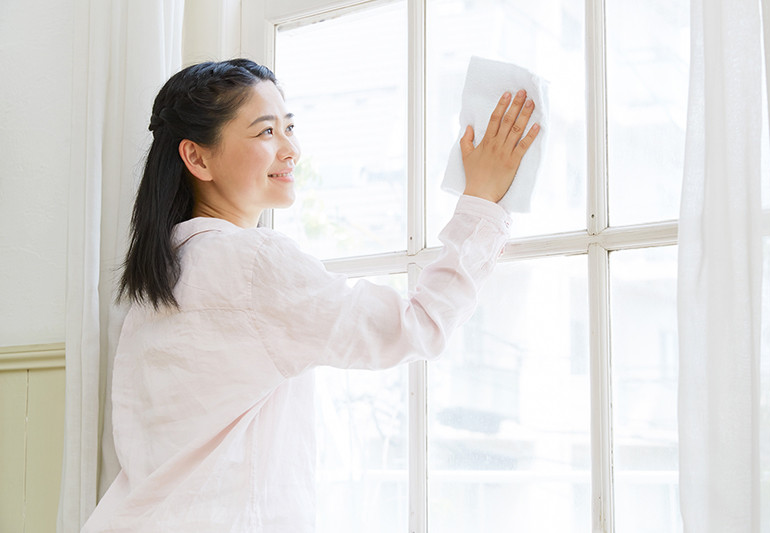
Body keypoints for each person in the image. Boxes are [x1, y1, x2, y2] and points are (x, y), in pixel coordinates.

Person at [81, 58, 540, 532]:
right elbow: (418, 326)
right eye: (266, 132)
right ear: (197, 159)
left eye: (290, 127)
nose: (291, 150)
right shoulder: (252, 262)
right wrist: (481, 204)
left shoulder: (157, 280)